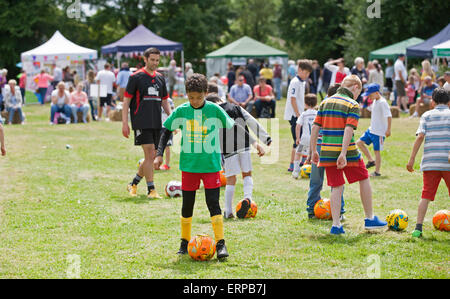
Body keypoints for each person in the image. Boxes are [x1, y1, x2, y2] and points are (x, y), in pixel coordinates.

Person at [155, 73, 235, 259]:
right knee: (187, 205)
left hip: (211, 166)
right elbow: (166, 129)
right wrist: (159, 154)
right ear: (186, 95)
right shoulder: (182, 111)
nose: (195, 101)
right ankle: (184, 242)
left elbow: (230, 128)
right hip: (189, 166)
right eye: (191, 97)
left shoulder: (215, 110)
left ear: (206, 93)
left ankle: (221, 244)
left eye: (199, 97)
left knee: (212, 203)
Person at [310, 75, 388, 234]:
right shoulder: (352, 104)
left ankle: (336, 225)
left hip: (326, 151)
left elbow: (315, 127)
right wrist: (343, 153)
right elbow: (348, 129)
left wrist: (313, 151)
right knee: (364, 178)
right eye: (358, 92)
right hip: (348, 152)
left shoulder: (325, 102)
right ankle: (370, 218)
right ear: (355, 88)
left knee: (336, 186)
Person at [204, 93, 270, 219]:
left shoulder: (213, 114)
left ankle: (228, 211)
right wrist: (265, 138)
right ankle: (248, 198)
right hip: (243, 143)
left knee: (230, 179)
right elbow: (251, 120)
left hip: (228, 148)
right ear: (220, 99)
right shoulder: (235, 107)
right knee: (247, 173)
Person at [122, 47, 172, 199]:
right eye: (152, 60)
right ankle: (151, 190)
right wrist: (125, 123)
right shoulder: (136, 77)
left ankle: (134, 183)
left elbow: (164, 101)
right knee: (150, 154)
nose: (155, 63)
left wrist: (172, 118)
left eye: (157, 60)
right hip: (141, 121)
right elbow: (126, 101)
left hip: (156, 122)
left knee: (154, 158)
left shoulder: (160, 78)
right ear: (145, 59)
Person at [407, 88, 450, 238]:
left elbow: (420, 137)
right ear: (449, 102)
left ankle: (418, 228)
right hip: (448, 163)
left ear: (432, 102)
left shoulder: (427, 115)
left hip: (430, 162)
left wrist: (412, 158)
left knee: (426, 195)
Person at [305, 84, 345, 219]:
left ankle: (311, 209)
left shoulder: (321, 106)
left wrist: (311, 151)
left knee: (315, 180)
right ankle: (339, 211)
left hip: (319, 147)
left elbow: (314, 130)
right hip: (332, 147)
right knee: (337, 181)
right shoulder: (338, 107)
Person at [356, 83, 392, 177]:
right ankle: (371, 161)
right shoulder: (375, 101)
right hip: (371, 129)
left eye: (370, 95)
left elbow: (389, 116)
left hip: (379, 132)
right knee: (359, 143)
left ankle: (377, 172)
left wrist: (388, 129)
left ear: (376, 93)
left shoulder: (383, 102)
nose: (369, 97)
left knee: (377, 151)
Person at [284, 59, 313, 172]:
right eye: (305, 73)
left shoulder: (302, 82)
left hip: (300, 114)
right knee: (298, 140)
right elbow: (292, 99)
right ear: (299, 70)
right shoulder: (295, 82)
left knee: (304, 137)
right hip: (294, 115)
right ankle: (292, 164)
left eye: (308, 74)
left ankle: (303, 161)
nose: (307, 75)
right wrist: (298, 115)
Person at [292, 93, 318, 179]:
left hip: (305, 138)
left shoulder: (304, 114)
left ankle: (295, 171)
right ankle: (314, 172)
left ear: (305, 104)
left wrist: (297, 138)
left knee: (298, 153)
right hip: (315, 139)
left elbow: (298, 126)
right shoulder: (318, 113)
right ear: (316, 104)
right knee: (314, 154)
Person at [159, 97, 175, 170]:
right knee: (156, 146)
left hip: (167, 126)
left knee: (167, 146)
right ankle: (156, 163)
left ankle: (167, 164)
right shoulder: (157, 99)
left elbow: (173, 112)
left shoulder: (169, 101)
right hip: (158, 126)